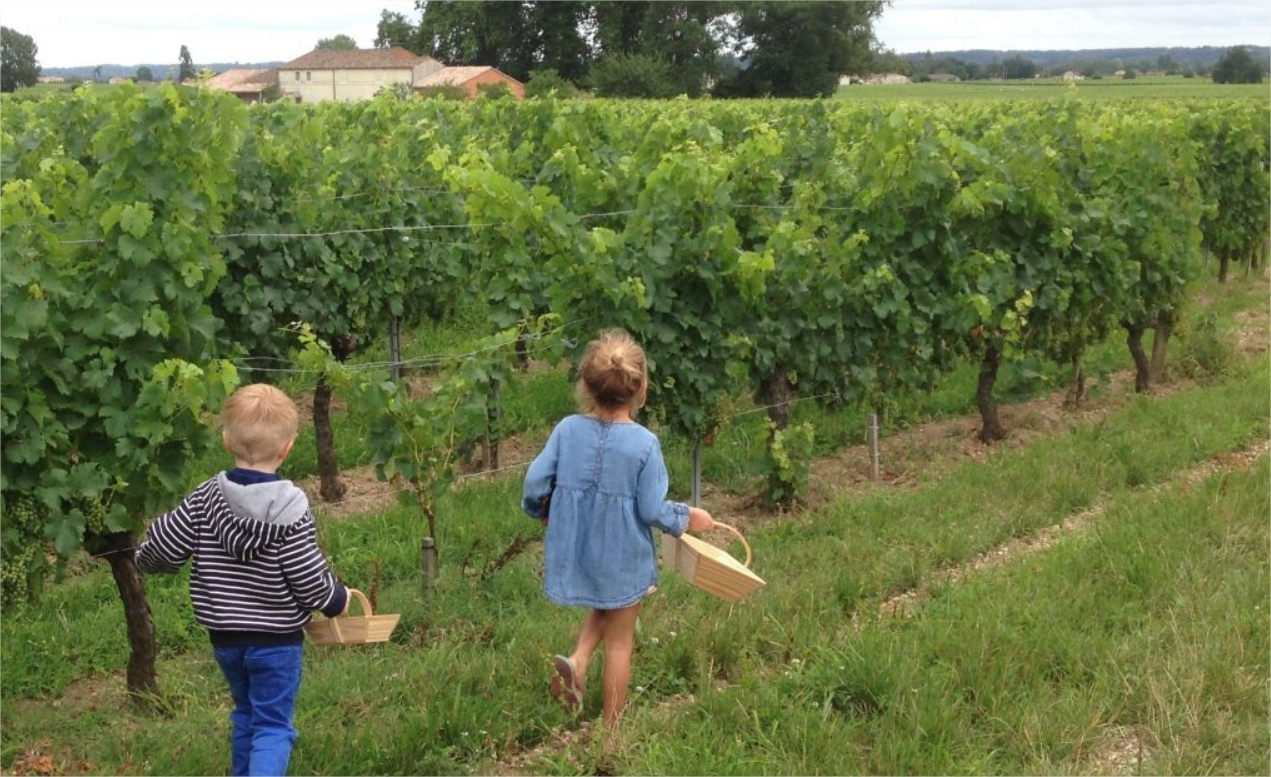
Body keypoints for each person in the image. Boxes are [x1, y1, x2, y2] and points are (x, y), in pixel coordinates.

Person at [135, 383, 348, 777]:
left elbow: (165, 545)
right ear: (287, 448)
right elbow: (306, 577)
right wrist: (337, 599)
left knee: (246, 714)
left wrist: (140, 559)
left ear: (226, 439)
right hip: (277, 642)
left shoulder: (206, 497)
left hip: (226, 640)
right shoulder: (292, 507)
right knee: (272, 725)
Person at [522, 329, 714, 734]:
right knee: (621, 641)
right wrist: (688, 517)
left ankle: (578, 661)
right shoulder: (644, 444)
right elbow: (650, 509)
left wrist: (542, 511)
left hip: (579, 545)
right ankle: (611, 737)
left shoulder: (567, 429)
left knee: (605, 600)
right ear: (641, 389)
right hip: (623, 553)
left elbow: (535, 483)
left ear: (586, 387)